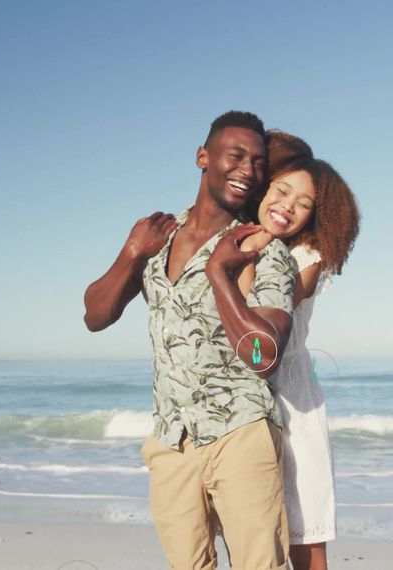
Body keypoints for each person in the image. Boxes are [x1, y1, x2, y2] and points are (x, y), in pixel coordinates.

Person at [83, 111, 298, 570]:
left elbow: (264, 358)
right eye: (236, 155)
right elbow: (95, 316)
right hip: (171, 440)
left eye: (258, 163)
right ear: (203, 157)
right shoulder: (157, 239)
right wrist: (131, 253)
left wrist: (220, 272)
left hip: (240, 433)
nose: (248, 170)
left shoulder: (261, 249)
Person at [235, 131, 360, 570]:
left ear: (315, 217)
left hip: (292, 400)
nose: (287, 206)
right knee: (252, 531)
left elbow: (280, 299)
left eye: (303, 203)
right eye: (282, 190)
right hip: (241, 400)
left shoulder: (308, 257)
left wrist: (252, 251)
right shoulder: (232, 237)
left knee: (306, 529)